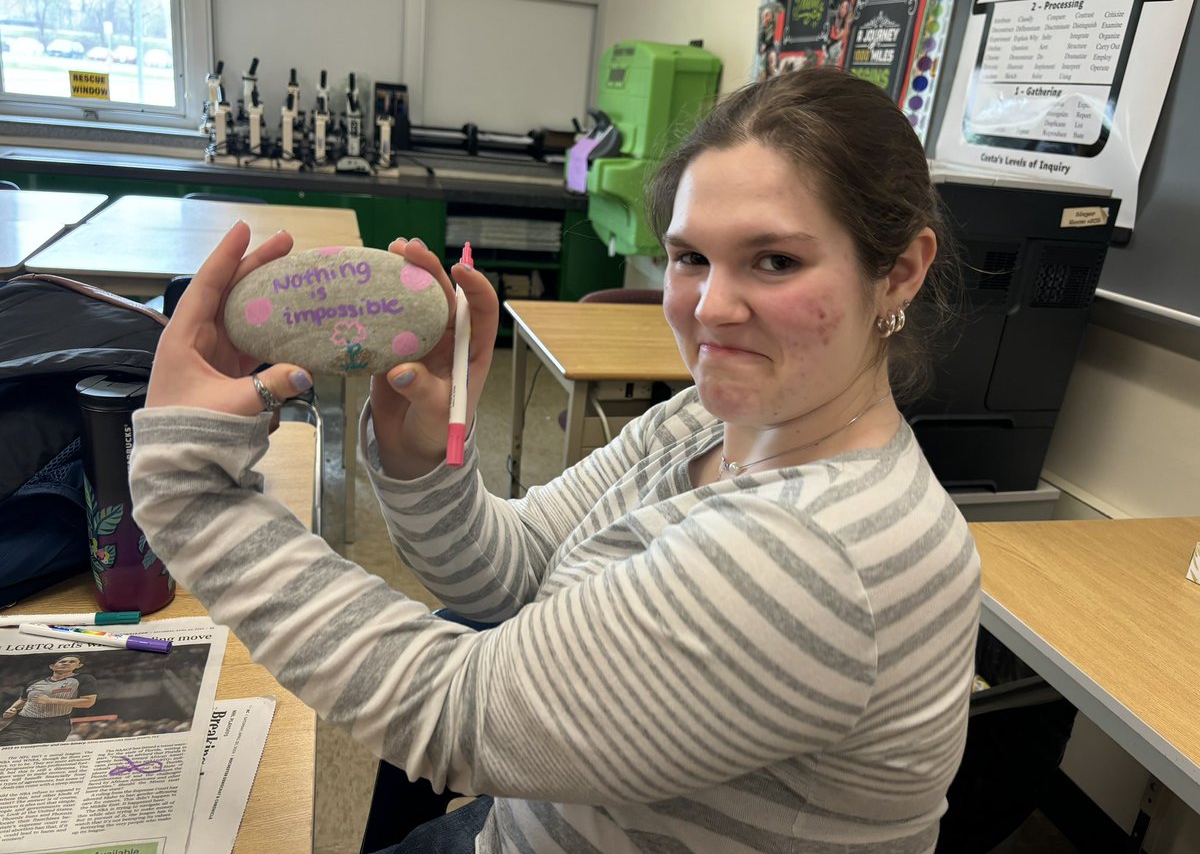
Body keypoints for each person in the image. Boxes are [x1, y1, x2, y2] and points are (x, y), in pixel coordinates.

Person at [130, 66, 980, 853]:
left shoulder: (821, 552)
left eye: (776, 260)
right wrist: (427, 453)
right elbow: (514, 571)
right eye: (690, 258)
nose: (712, 309)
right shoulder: (708, 420)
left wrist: (189, 492)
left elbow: (458, 713)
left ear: (900, 271)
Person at [0, 654, 97, 746]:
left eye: (72, 662)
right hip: (23, 721)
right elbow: (23, 699)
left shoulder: (84, 679)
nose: (66, 663)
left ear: (79, 665)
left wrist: (51, 700)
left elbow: (88, 702)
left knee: (38, 752)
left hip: (55, 723)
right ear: (52, 666)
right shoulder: (34, 683)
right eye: (62, 661)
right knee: (6, 744)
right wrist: (12, 708)